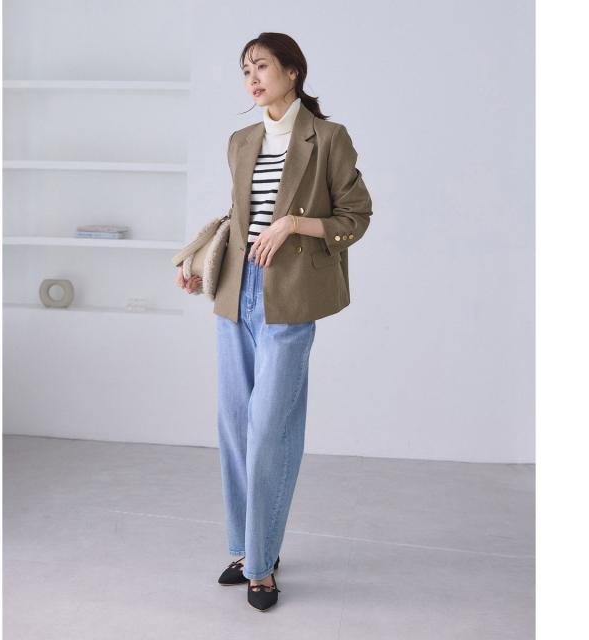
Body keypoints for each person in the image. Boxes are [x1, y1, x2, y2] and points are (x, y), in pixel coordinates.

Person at [175, 32, 373, 611]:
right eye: (245, 70)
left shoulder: (328, 138)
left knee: (269, 431)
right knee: (235, 427)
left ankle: (261, 565)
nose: (252, 78)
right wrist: (197, 262)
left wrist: (292, 224)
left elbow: (356, 216)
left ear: (292, 71)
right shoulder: (241, 141)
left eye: (261, 66)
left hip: (289, 296)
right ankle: (245, 550)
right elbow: (238, 217)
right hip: (235, 292)